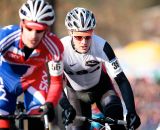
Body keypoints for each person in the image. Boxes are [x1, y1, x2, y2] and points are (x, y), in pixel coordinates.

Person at [59, 7, 141, 130]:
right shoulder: (60, 49)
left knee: (116, 118)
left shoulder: (102, 46)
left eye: (88, 36)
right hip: (76, 95)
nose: (84, 42)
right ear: (70, 33)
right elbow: (55, 84)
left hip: (102, 89)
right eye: (78, 37)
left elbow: (121, 80)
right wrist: (66, 106)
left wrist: (131, 111)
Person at [0, 0, 64, 130]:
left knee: (38, 119)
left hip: (34, 81)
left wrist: (50, 104)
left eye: (39, 31)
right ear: (21, 24)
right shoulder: (6, 36)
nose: (33, 36)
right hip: (4, 81)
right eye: (29, 29)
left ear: (47, 30)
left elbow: (57, 82)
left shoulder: (54, 46)